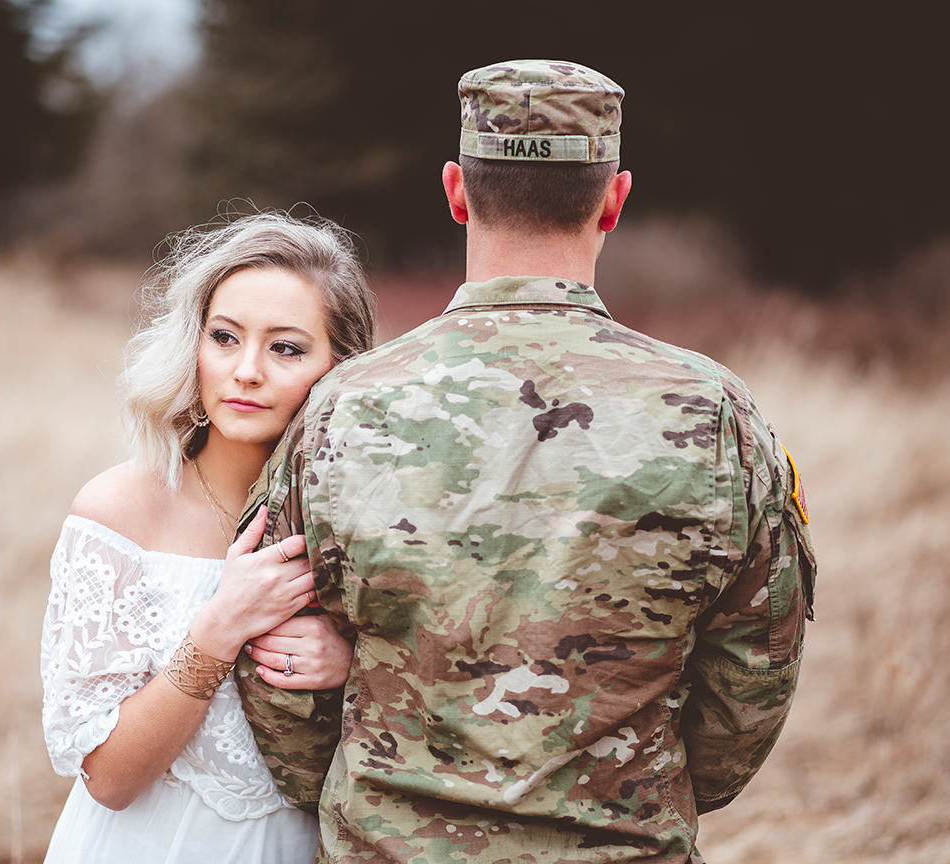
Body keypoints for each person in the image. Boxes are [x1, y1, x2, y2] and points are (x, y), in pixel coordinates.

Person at [235, 60, 818, 863]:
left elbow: (277, 659)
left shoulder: (341, 407)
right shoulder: (716, 413)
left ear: (456, 192)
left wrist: (347, 789)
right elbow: (753, 677)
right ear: (614, 201)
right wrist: (648, 788)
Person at [40, 211, 377, 864]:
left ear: (340, 366)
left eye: (285, 348)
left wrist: (352, 669)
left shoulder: (369, 524)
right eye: (224, 338)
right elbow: (108, 779)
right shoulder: (117, 513)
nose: (246, 371)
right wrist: (218, 630)